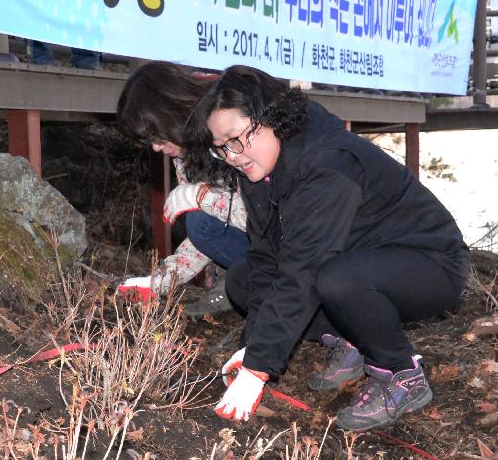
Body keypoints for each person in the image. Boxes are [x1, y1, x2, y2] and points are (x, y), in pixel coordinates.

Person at [183, 65, 470, 431]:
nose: (232, 155)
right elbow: (267, 258)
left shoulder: (326, 164)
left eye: (237, 139)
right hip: (360, 258)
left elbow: (303, 269)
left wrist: (257, 370)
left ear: (270, 118)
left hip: (431, 263)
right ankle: (350, 340)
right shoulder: (260, 167)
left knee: (335, 280)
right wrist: (252, 347)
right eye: (220, 147)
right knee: (245, 277)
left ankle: (402, 375)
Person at [115, 61, 250, 316]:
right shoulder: (185, 156)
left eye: (156, 135)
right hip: (261, 245)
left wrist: (202, 196)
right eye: (148, 140)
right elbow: (204, 234)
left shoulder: (236, 127)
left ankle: (242, 287)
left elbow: (268, 214)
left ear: (172, 112)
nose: (155, 148)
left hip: (297, 241)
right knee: (199, 221)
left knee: (200, 217)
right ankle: (236, 285)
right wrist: (160, 282)